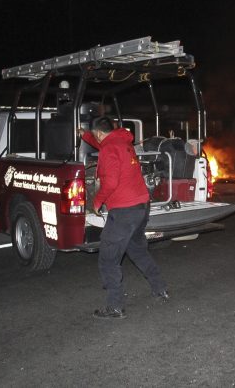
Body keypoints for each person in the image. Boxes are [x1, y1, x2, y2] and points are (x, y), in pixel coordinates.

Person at [80, 116, 169, 319]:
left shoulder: (108, 149)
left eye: (95, 136)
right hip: (141, 206)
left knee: (108, 258)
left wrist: (96, 202)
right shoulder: (122, 141)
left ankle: (115, 307)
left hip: (123, 211)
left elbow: (110, 183)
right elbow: (102, 142)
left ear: (100, 133)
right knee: (137, 251)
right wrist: (84, 135)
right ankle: (160, 288)